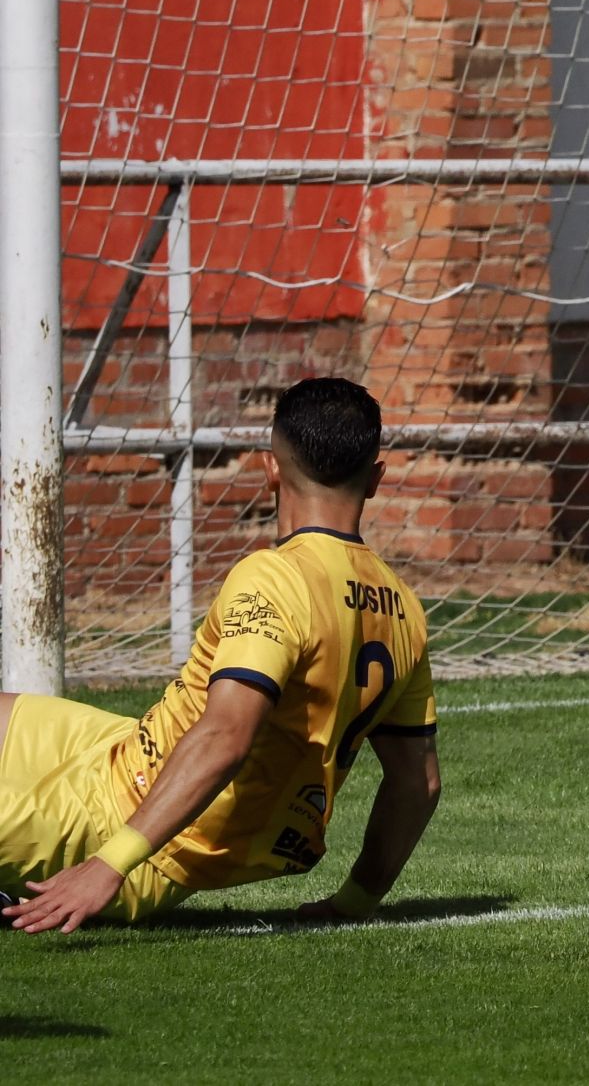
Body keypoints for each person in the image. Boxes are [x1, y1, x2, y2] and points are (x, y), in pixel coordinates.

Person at [0, 377, 439, 933]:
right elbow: (418, 784)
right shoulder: (404, 609)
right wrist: (354, 902)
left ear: (270, 469)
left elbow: (227, 736)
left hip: (131, 825)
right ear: (376, 478)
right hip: (124, 753)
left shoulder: (276, 577)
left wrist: (108, 864)